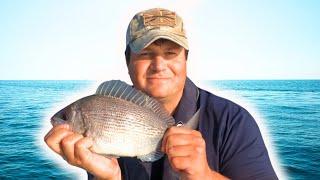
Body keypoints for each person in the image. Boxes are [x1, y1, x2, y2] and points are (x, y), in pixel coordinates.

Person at [44, 8, 278, 180]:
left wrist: (204, 175)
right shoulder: (98, 131)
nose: (159, 64)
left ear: (186, 59)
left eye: (170, 52)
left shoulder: (233, 121)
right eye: (146, 53)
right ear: (128, 61)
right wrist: (111, 177)